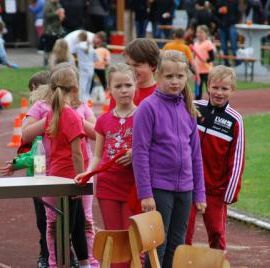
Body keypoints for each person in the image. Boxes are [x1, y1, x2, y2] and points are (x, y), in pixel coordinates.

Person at [132, 50, 206, 268]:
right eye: (169, 76)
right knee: (157, 245)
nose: (175, 82)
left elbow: (195, 155)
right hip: (158, 188)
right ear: (158, 75)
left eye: (180, 77)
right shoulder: (148, 108)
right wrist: (145, 193)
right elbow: (140, 153)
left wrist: (199, 192)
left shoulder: (188, 107)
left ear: (187, 77)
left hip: (185, 188)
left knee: (177, 243)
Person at [20, 64, 98, 268]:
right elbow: (26, 133)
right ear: (74, 88)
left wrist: (73, 119)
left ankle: (85, 260)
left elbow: (97, 134)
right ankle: (59, 261)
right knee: (57, 222)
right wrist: (52, 119)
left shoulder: (77, 109)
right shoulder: (46, 109)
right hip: (60, 173)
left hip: (72, 172)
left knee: (81, 220)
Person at [75, 63, 136, 268]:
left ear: (135, 85)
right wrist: (88, 172)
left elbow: (152, 150)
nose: (124, 90)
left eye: (128, 84)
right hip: (108, 187)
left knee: (133, 241)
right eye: (118, 86)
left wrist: (135, 154)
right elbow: (98, 155)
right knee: (114, 239)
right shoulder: (103, 120)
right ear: (109, 89)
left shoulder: (144, 115)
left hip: (134, 187)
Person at [185, 65, 245, 250]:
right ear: (208, 86)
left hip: (215, 190)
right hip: (188, 184)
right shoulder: (194, 108)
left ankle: (218, 263)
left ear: (232, 90)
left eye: (224, 88)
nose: (219, 92)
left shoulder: (235, 120)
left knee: (217, 234)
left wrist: (229, 193)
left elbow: (237, 160)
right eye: (215, 87)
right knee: (184, 232)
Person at [0, 70, 51, 268]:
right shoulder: (33, 117)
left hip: (44, 179)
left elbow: (37, 153)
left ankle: (50, 255)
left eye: (34, 90)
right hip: (38, 178)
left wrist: (16, 163)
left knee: (48, 221)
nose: (32, 96)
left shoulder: (43, 117)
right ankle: (50, 254)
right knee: (46, 221)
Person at [109, 38, 160, 109]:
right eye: (127, 65)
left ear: (153, 66)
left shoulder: (161, 94)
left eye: (136, 65)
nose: (131, 70)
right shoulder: (121, 91)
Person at [71, 31, 98, 102]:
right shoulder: (90, 46)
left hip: (83, 68)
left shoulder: (78, 46)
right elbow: (97, 58)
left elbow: (71, 52)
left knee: (82, 87)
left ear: (79, 38)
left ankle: (82, 102)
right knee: (88, 88)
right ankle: (88, 101)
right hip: (91, 68)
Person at [213, 0, 240, 66]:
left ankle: (237, 62)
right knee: (224, 46)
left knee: (234, 45)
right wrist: (219, 11)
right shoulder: (220, 2)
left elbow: (238, 13)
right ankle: (226, 62)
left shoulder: (235, 2)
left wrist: (235, 21)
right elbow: (214, 13)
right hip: (222, 26)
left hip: (232, 25)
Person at [192, 25, 215, 100]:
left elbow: (212, 57)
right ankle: (197, 108)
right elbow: (194, 57)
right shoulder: (195, 44)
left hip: (207, 71)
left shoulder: (208, 43)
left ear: (206, 34)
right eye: (197, 32)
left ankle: (213, 106)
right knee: (197, 92)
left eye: (201, 32)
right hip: (198, 72)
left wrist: (207, 60)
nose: (198, 34)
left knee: (210, 90)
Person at [42, 0, 65, 66]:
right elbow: (46, 15)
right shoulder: (48, 4)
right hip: (49, 30)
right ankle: (46, 62)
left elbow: (61, 14)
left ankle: (56, 61)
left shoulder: (58, 4)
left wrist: (62, 15)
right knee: (48, 48)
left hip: (58, 30)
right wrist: (56, 13)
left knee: (57, 47)